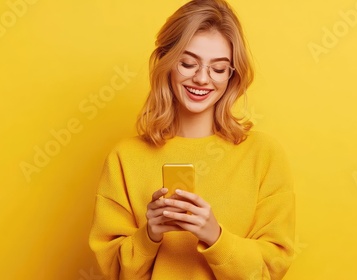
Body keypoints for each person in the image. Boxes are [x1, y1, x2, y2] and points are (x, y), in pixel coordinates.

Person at [88, 0, 295, 279]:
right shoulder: (124, 158)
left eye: (218, 69)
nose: (201, 78)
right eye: (188, 63)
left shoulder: (264, 155)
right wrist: (149, 234)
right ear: (167, 62)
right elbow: (113, 270)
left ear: (232, 76)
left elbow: (271, 269)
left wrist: (215, 236)